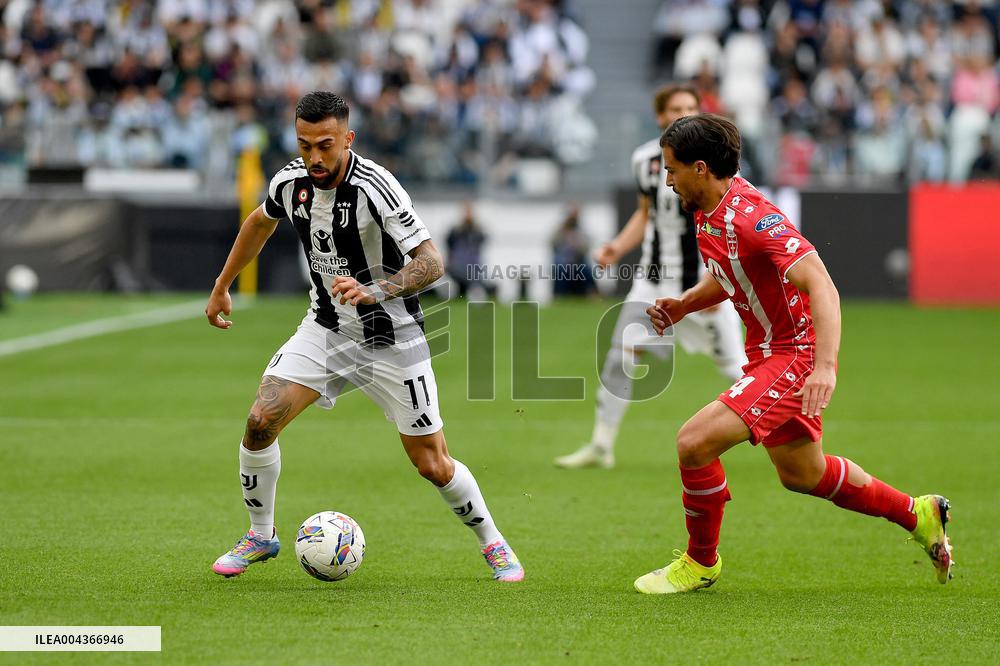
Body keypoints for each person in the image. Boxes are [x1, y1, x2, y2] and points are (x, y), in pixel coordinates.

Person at [204, 91, 524, 582]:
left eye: (325, 145)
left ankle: (494, 543)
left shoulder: (378, 187)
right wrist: (223, 286)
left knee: (432, 464)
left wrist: (378, 288)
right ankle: (260, 534)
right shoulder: (291, 182)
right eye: (305, 144)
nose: (314, 156)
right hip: (326, 329)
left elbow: (433, 262)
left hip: (392, 338)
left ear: (348, 139)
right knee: (259, 420)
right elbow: (259, 223)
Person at [635, 114, 952, 593]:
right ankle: (918, 513)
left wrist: (823, 366)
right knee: (804, 473)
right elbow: (731, 275)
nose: (667, 177)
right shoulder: (706, 210)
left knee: (694, 443)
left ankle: (701, 563)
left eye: (672, 168)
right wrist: (684, 305)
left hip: (794, 355)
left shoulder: (754, 217)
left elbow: (822, 284)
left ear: (700, 168)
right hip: (767, 356)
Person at [555, 85, 746, 470]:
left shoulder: (713, 160)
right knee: (620, 355)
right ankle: (601, 445)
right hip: (653, 281)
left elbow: (729, 218)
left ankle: (787, 437)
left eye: (691, 107)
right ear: (659, 115)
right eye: (676, 108)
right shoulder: (645, 160)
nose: (684, 113)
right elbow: (646, 214)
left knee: (740, 370)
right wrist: (616, 248)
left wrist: (722, 282)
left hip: (704, 283)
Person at [445, 201, 495, 298]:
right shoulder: (456, 231)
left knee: (479, 282)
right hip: (459, 267)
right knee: (463, 280)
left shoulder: (477, 230)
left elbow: (483, 239)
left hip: (473, 268)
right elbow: (449, 246)